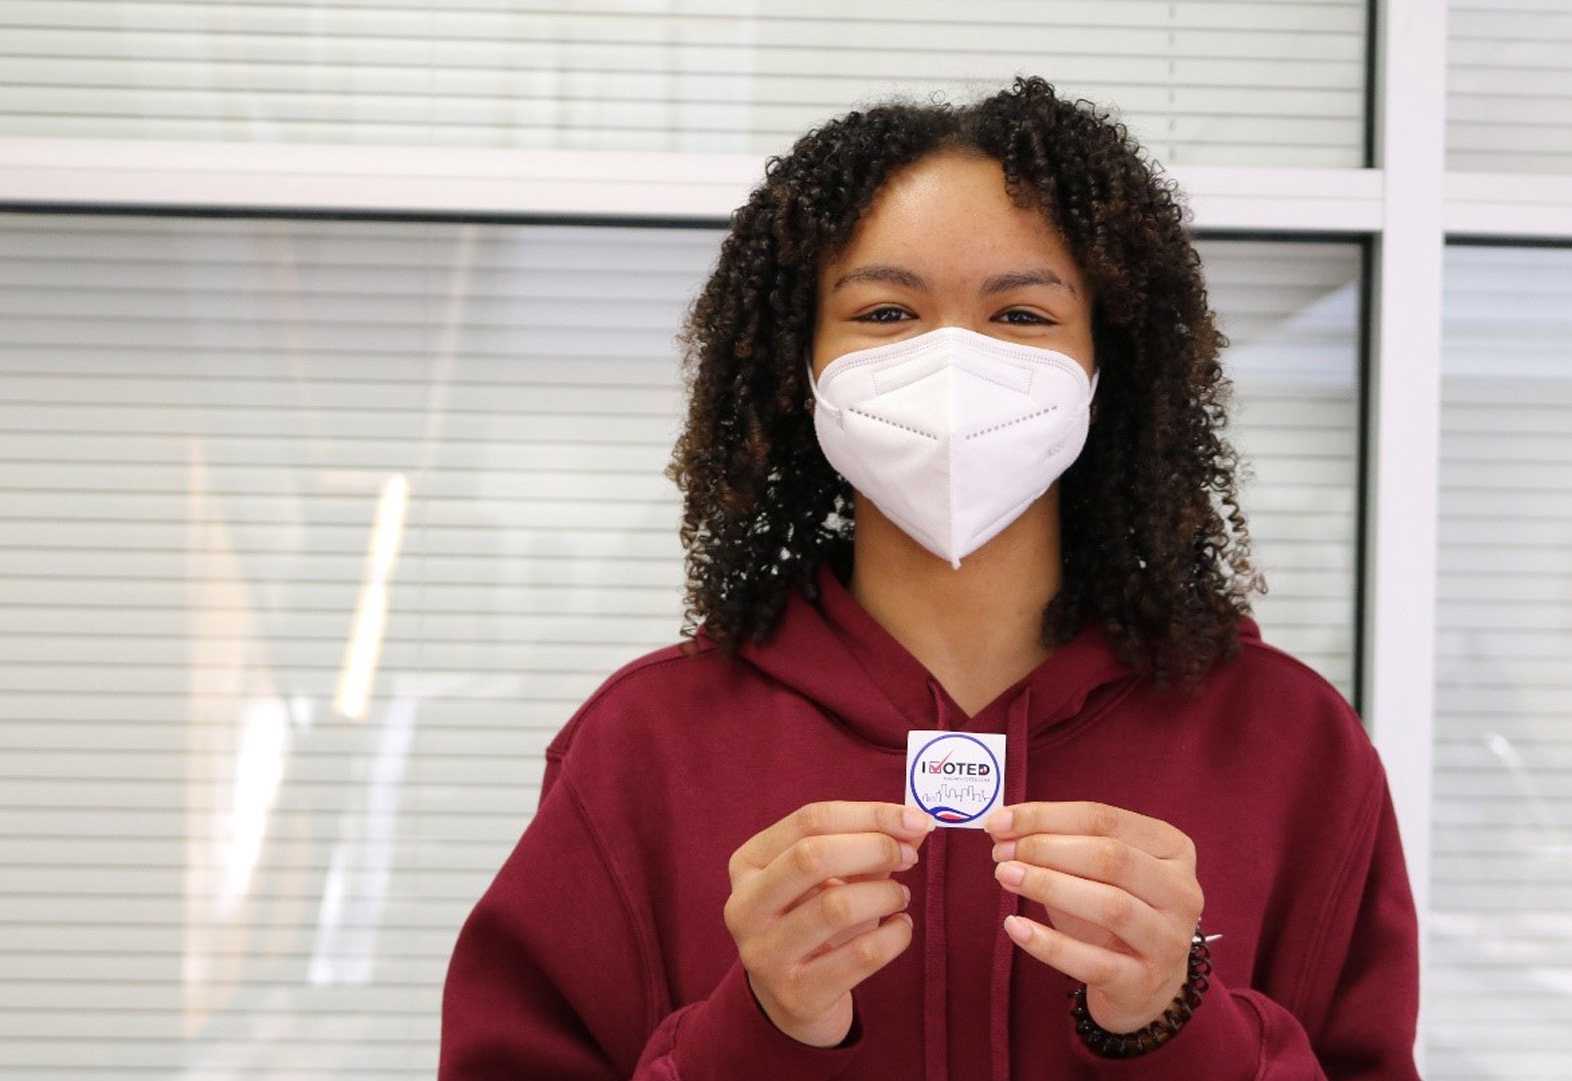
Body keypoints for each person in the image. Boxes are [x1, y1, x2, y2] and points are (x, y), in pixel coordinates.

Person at [439, 75, 1421, 1081]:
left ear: (1106, 363)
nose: (953, 362)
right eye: (887, 310)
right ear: (799, 363)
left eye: (1022, 314)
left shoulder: (1288, 744)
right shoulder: (645, 746)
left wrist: (1175, 1025)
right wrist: (760, 1032)